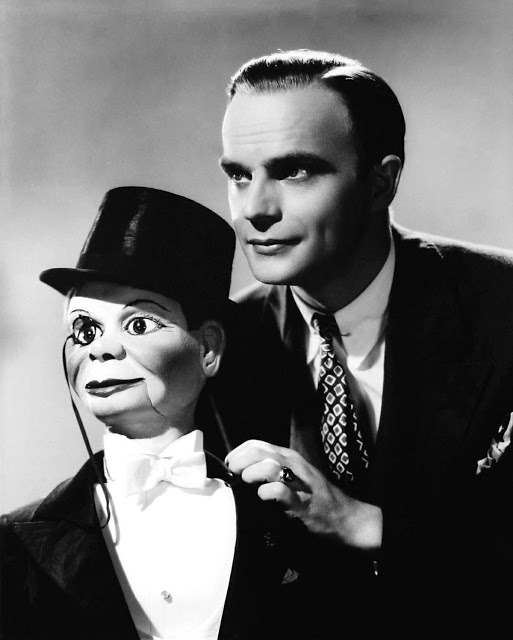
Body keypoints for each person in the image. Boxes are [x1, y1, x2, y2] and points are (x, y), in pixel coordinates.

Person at [216, 49, 513, 627]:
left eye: (294, 172)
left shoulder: (503, 309)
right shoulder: (218, 346)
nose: (254, 210)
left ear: (382, 182)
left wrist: (362, 523)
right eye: (238, 175)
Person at [0, 186, 293, 640]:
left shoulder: (284, 522)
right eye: (85, 329)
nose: (101, 349)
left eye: (138, 324)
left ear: (208, 349)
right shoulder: (14, 541)